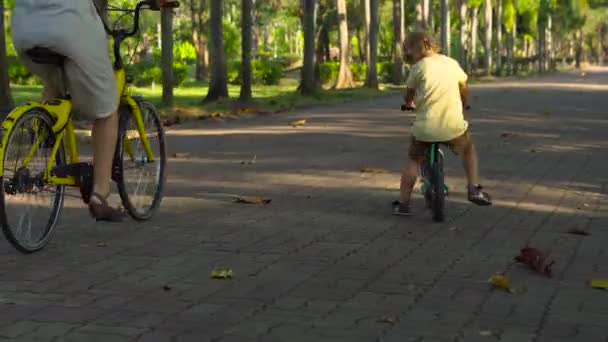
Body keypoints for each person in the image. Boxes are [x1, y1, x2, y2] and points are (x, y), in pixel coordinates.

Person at [11, 0, 176, 222]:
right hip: (68, 28)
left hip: (24, 32)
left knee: (54, 81)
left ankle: (45, 134)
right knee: (107, 111)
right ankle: (100, 193)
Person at [394, 31, 492, 216]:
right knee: (468, 149)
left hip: (425, 129)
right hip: (452, 126)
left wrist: (408, 103)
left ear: (418, 47)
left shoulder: (418, 68)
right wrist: (465, 103)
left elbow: (409, 92)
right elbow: (463, 86)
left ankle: (403, 204)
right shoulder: (451, 63)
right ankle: (473, 188)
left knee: (413, 160)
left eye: (410, 52)